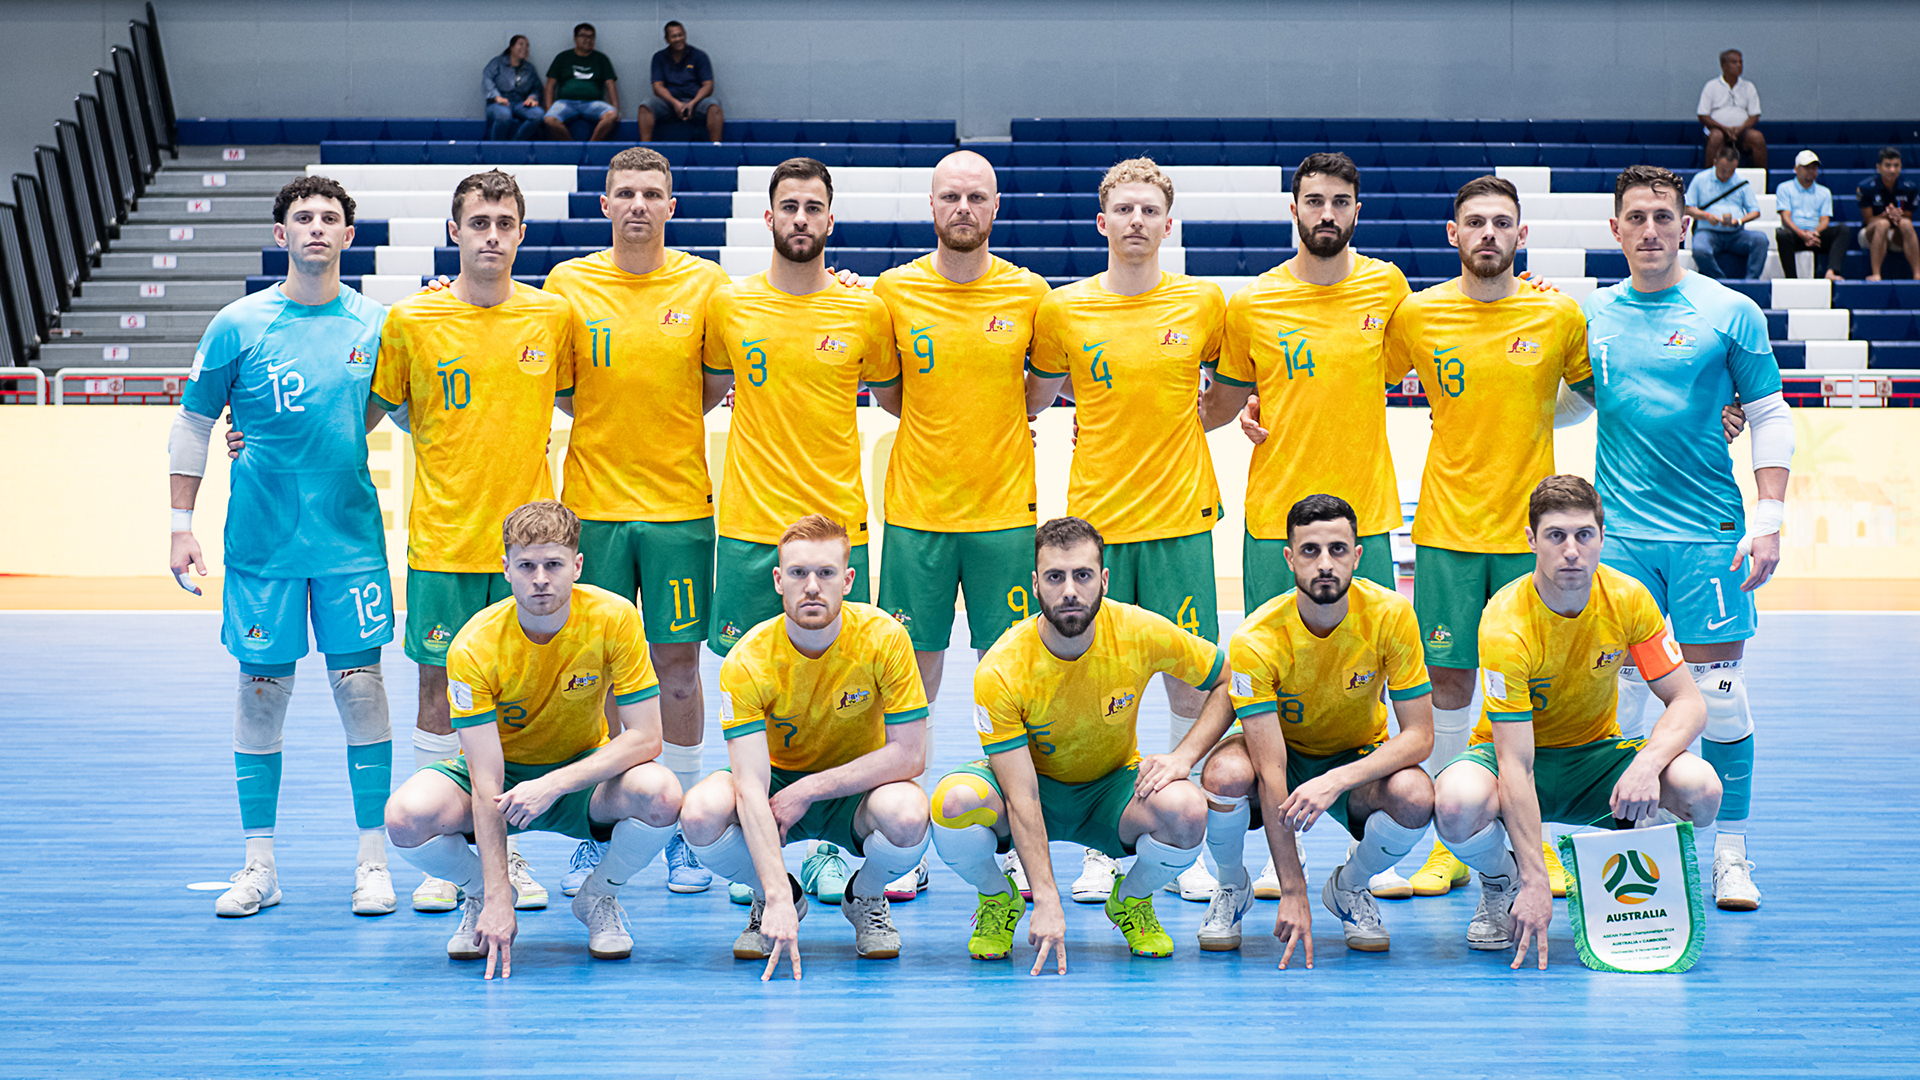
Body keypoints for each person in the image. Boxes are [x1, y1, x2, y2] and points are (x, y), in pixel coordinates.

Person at [168, 176, 396, 919]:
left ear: (348, 235)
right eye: (304, 218)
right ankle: (258, 865)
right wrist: (180, 523)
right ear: (281, 235)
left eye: (331, 217)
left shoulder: (378, 324)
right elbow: (196, 422)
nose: (318, 228)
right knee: (260, 694)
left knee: (361, 690)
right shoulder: (238, 323)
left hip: (349, 542)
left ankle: (372, 862)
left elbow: (373, 413)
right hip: (262, 543)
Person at [1573, 164, 1793, 912]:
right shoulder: (1591, 316)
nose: (1650, 231)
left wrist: (1768, 519)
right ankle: (1623, 846)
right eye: (1635, 218)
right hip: (1621, 537)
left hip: (1709, 535)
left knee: (1719, 700)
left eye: (1664, 217)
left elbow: (1769, 414)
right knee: (1622, 703)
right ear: (1615, 230)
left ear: (1686, 225)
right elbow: (1572, 406)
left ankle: (1730, 854)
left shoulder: (1729, 312)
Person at [1199, 151, 1409, 899]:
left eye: (1341, 201)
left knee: (1375, 684)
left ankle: (1369, 850)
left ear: (1357, 210)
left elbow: (1449, 348)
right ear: (1294, 209)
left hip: (1369, 521)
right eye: (1314, 199)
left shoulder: (1387, 288)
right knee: (1266, 688)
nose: (1327, 212)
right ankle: (1253, 856)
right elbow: (1218, 403)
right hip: (1272, 526)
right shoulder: (1251, 303)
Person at [1379, 175, 1591, 900]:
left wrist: (1712, 415)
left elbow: (1603, 396)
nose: (1489, 234)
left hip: (1535, 539)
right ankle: (1448, 844)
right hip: (1446, 530)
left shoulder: (1558, 313)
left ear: (1522, 236)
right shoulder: (1417, 314)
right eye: (1476, 222)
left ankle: (1544, 840)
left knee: (1538, 689)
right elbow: (1348, 381)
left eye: (1503, 222)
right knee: (1450, 682)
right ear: (1453, 234)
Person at [370, 169, 575, 913]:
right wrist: (254, 437)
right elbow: (370, 412)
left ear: (522, 233)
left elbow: (594, 400)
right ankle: (445, 858)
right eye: (479, 222)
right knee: (435, 690)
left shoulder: (553, 317)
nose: (492, 235)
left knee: (513, 700)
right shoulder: (412, 321)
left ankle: (507, 851)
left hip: (531, 553)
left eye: (505, 222)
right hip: (444, 544)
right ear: (454, 232)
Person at [1025, 157, 1229, 906]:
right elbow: (1032, 400)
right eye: (1125, 210)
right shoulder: (1062, 310)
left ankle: (1189, 829)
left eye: (1151, 211)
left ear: (1167, 224)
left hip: (1179, 521)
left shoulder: (1205, 303)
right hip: (1095, 532)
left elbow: (1233, 392)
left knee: (1186, 684)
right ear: (1102, 221)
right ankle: (1095, 847)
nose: (1137, 222)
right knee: (1089, 686)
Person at [538, 147, 733, 897]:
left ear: (673, 206)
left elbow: (715, 381)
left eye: (654, 193)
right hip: (593, 511)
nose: (640, 205)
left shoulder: (705, 283)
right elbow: (559, 388)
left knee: (679, 669)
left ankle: (683, 832)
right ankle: (606, 827)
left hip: (681, 509)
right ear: (605, 205)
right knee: (603, 681)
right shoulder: (568, 283)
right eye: (626, 193)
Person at [1432, 475, 1723, 968]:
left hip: (1595, 755)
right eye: (1556, 536)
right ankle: (1498, 883)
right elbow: (1516, 765)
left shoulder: (1629, 598)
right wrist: (1533, 879)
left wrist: (1647, 764)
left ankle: (1643, 883)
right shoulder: (1505, 624)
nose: (1571, 550)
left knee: (1702, 788)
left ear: (1601, 539)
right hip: (1515, 759)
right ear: (1531, 541)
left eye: (1584, 535)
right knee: (1455, 805)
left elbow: (1689, 703)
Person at [384, 500, 682, 976]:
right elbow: (486, 780)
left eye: (553, 564)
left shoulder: (615, 617)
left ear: (577, 566)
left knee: (663, 794)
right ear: (506, 569)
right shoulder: (474, 645)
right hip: (502, 781)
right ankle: (478, 894)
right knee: (405, 817)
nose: (540, 578)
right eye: (526, 565)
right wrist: (500, 895)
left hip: (581, 775)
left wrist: (555, 784)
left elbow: (646, 739)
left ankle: (599, 896)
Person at [866, 150, 1051, 902]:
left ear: (996, 207)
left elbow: (1036, 394)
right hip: (918, 517)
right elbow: (888, 394)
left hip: (1007, 519)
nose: (964, 208)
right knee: (912, 678)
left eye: (977, 196)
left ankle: (1003, 835)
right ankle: (899, 833)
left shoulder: (1032, 294)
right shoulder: (891, 292)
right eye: (951, 196)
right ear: (932, 205)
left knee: (1009, 677)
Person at [929, 516, 1230, 970]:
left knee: (1187, 810)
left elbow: (1228, 680)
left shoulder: (1140, 631)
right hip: (1033, 789)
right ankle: (998, 898)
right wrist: (1047, 899)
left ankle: (1130, 900)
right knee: (952, 805)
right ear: (1035, 584)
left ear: (1104, 580)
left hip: (1112, 792)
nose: (1070, 590)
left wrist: (1183, 757)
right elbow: (1022, 795)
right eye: (1055, 577)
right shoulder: (1001, 668)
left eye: (1082, 575)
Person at [678, 514, 932, 977]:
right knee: (698, 813)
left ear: (848, 580)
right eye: (797, 573)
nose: (811, 586)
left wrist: (810, 789)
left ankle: (867, 897)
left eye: (826, 573)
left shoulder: (885, 638)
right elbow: (751, 785)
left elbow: (912, 755)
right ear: (778, 580)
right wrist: (776, 895)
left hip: (857, 788)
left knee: (910, 815)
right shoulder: (748, 659)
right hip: (774, 787)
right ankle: (775, 896)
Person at [1202, 494, 1435, 961]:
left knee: (1416, 794)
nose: (1325, 563)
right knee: (1224, 775)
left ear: (1357, 555)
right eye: (1310, 550)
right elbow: (1270, 771)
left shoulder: (1392, 614)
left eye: (1337, 549)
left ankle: (1349, 887)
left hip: (1354, 756)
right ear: (1289, 558)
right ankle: (1231, 887)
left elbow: (1420, 736)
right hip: (1280, 756)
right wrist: (1291, 889)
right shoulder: (1255, 637)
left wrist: (1336, 780)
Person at [700, 158, 897, 658]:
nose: (801, 219)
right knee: (742, 673)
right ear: (769, 218)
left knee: (837, 676)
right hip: (751, 528)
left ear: (830, 220)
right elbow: (699, 392)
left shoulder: (866, 308)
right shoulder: (729, 305)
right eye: (789, 207)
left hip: (836, 530)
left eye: (814, 208)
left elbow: (900, 402)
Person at [1685, 146, 1766, 280]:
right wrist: (1706, 216)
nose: (1726, 175)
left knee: (1761, 239)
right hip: (1708, 231)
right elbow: (1687, 208)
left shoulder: (1741, 182)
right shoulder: (1700, 179)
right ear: (1715, 162)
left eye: (1731, 171)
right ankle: (1720, 281)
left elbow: (1755, 211)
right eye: (1723, 170)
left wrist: (1740, 221)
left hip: (1736, 233)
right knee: (1700, 249)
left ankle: (1752, 280)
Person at [639, 20, 723, 144]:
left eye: (681, 35)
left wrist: (692, 103)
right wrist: (675, 103)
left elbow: (708, 85)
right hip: (668, 104)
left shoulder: (699, 56)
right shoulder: (659, 57)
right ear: (667, 39)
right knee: (645, 105)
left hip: (696, 102)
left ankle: (716, 147)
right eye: (674, 36)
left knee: (714, 105)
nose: (678, 39)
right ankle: (645, 149)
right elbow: (657, 86)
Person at [1775, 150, 1851, 281]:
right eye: (1807, 167)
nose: (1811, 171)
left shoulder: (1824, 192)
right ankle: (1791, 278)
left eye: (1814, 167)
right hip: (1796, 234)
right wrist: (1801, 233)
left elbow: (1824, 219)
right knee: (1782, 234)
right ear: (1796, 169)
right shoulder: (1784, 188)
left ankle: (1831, 271)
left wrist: (1815, 232)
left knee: (1843, 229)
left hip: (1816, 236)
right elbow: (1786, 217)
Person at [543, 23, 618, 142]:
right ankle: (572, 148)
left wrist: (616, 108)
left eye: (591, 37)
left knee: (612, 115)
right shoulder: (563, 57)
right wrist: (548, 108)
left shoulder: (601, 59)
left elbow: (611, 85)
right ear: (575, 38)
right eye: (584, 36)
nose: (588, 40)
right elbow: (550, 85)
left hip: (592, 103)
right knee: (550, 119)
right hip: (565, 103)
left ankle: (591, 146)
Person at [1857, 147, 1920, 282]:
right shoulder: (1865, 187)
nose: (1892, 170)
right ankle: (1876, 274)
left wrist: (1898, 217)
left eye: (1896, 165)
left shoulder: (1909, 187)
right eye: (1888, 165)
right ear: (1878, 168)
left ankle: (1917, 274)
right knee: (1882, 224)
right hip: (1870, 233)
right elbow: (1868, 220)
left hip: (1897, 233)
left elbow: (1908, 217)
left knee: (1907, 223)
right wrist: (1886, 215)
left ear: (1901, 166)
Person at [1697, 48, 1766, 169]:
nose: (1739, 65)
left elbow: (1754, 116)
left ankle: (1761, 179)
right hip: (1717, 130)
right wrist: (1724, 129)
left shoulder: (1749, 87)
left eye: (1740, 62)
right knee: (1716, 137)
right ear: (1723, 66)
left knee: (1757, 137)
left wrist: (1740, 129)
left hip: (1742, 132)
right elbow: (1703, 115)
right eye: (1734, 62)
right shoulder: (1711, 86)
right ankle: (1707, 179)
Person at [483, 35, 544, 142]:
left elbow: (536, 87)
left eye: (527, 46)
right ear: (511, 47)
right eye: (521, 44)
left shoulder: (529, 68)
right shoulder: (497, 63)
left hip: (520, 102)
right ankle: (495, 148)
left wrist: (532, 98)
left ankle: (516, 143)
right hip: (499, 103)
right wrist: (497, 97)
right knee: (504, 116)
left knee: (538, 114)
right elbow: (487, 79)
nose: (524, 48)